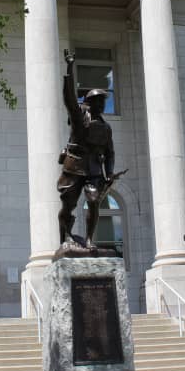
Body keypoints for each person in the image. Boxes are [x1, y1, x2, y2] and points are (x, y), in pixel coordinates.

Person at [57, 49, 121, 246]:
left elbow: (110, 152)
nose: (102, 105)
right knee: (68, 205)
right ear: (90, 103)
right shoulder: (79, 118)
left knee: (93, 201)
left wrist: (109, 172)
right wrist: (69, 68)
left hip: (93, 168)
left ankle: (90, 239)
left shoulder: (105, 128)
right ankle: (65, 235)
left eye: (104, 101)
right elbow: (68, 98)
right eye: (99, 101)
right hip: (74, 166)